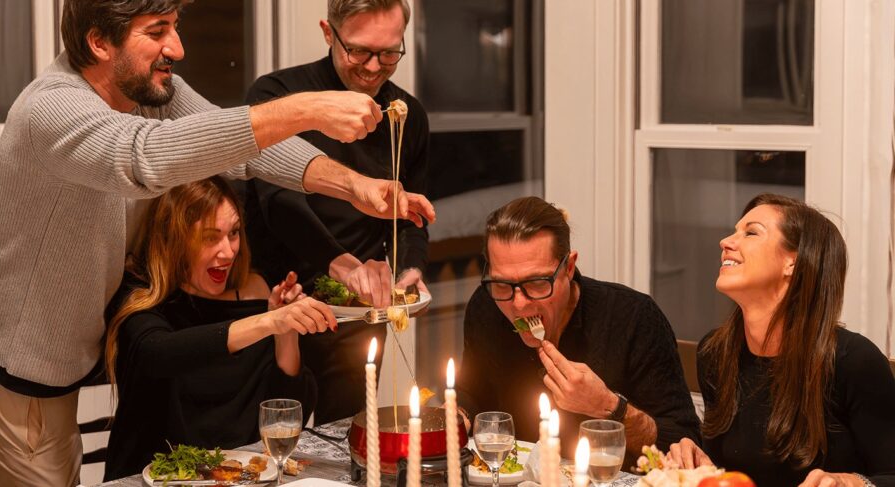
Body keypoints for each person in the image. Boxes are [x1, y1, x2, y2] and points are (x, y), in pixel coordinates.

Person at [0, 1, 435, 485]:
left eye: (176, 28)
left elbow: (249, 150)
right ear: (99, 42)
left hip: (71, 359)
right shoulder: (52, 106)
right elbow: (146, 158)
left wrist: (354, 186)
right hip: (15, 368)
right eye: (158, 31)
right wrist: (305, 108)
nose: (177, 48)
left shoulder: (147, 88)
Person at [243, 0, 429, 424]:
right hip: (278, 295)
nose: (373, 66)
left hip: (356, 311)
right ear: (329, 33)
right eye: (359, 50)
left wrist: (408, 269)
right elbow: (279, 202)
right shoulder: (278, 97)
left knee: (347, 433)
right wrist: (342, 266)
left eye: (389, 53)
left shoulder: (407, 115)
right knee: (270, 434)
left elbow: (410, 215)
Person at [101, 177, 328, 480]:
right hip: (154, 478)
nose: (228, 251)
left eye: (233, 233)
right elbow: (158, 354)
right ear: (176, 238)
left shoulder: (255, 291)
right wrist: (268, 322)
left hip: (240, 478)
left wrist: (284, 333)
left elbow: (289, 412)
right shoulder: (142, 295)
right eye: (210, 237)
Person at [665, 194, 895, 487]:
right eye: (735, 231)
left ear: (793, 263)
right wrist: (700, 467)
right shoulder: (716, 353)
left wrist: (851, 482)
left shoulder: (852, 361)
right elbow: (731, 473)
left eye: (751, 232)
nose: (726, 241)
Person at [456, 197, 700, 461]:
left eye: (537, 283)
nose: (519, 304)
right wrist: (457, 415)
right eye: (502, 284)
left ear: (569, 267)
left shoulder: (634, 317)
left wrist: (609, 407)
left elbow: (681, 442)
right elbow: (473, 393)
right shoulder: (486, 307)